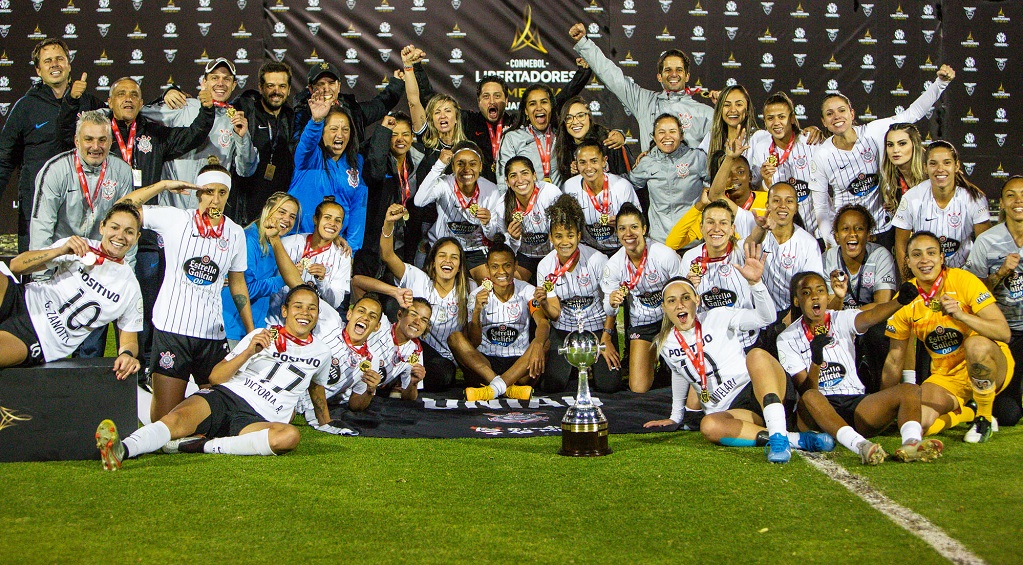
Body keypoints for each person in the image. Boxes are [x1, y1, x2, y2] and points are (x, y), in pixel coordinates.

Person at [58, 76, 215, 367]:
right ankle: (86, 367)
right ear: (110, 101)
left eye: (134, 95)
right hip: (101, 236)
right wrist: (69, 102)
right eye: (121, 94)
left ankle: (137, 365)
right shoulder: (100, 135)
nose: (128, 99)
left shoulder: (153, 133)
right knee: (93, 301)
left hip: (142, 237)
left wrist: (206, 111)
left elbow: (190, 136)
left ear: (142, 103)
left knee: (140, 303)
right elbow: (66, 135)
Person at [95, 284, 334, 469]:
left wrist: (327, 423)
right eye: (298, 306)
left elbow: (317, 391)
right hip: (228, 396)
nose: (305, 312)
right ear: (285, 310)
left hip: (262, 417)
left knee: (289, 436)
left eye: (312, 307)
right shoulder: (262, 334)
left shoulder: (322, 352)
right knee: (174, 419)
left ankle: (203, 445)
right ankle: (122, 449)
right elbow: (217, 377)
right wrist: (250, 350)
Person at [644, 275, 833, 463]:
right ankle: (795, 439)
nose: (679, 305)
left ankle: (779, 436)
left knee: (756, 355)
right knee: (709, 425)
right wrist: (675, 417)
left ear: (697, 299)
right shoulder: (665, 342)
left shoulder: (718, 316)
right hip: (731, 410)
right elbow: (679, 372)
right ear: (664, 308)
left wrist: (756, 283)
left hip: (758, 388)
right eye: (672, 300)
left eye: (685, 297)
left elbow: (766, 317)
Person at [118, 164, 253, 422]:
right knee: (163, 421)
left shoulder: (235, 233)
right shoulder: (175, 219)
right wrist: (163, 186)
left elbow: (237, 284)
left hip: (212, 336)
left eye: (222, 192)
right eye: (208, 191)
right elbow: (122, 209)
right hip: (172, 332)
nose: (215, 199)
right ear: (197, 193)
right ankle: (142, 398)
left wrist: (250, 330)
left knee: (219, 416)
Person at [780, 271, 943, 464]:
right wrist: (816, 360)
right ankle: (861, 445)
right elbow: (806, 389)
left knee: (910, 390)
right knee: (810, 397)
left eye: (821, 290)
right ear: (797, 301)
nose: (815, 296)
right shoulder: (787, 338)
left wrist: (899, 302)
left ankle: (912, 443)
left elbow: (871, 316)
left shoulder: (840, 318)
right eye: (806, 293)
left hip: (855, 401)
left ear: (827, 295)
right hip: (818, 410)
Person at [883, 231, 1014, 444]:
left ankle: (984, 417)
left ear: (942, 257)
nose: (924, 260)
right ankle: (968, 413)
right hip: (946, 375)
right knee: (917, 421)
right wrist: (884, 402)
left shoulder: (963, 281)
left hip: (991, 364)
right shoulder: (905, 299)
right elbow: (895, 357)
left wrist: (961, 315)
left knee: (975, 345)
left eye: (931, 253)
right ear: (907, 261)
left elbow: (1003, 333)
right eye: (916, 255)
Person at [810, 66, 955, 249]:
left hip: (882, 230)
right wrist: (831, 241)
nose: (836, 117)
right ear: (823, 122)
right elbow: (821, 205)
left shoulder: (874, 131)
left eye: (841, 110)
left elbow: (912, 114)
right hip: (847, 234)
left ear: (852, 114)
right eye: (829, 114)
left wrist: (941, 83)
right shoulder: (821, 155)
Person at [0, 203, 143, 375]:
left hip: (39, 337)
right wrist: (59, 251)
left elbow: (129, 339)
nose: (120, 236)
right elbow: (16, 266)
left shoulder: (130, 287)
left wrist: (127, 354)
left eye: (129, 232)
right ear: (102, 226)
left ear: (137, 237)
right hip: (21, 299)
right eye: (115, 227)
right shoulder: (79, 246)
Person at [0, 38, 103, 252]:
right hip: (37, 204)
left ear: (68, 64)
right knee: (36, 271)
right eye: (47, 61)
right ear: (38, 70)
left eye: (59, 59)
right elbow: (4, 158)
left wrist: (167, 94)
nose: (54, 64)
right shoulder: (25, 107)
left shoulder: (88, 103)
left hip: (80, 205)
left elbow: (124, 116)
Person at [365, 205, 472, 392]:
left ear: (460, 264)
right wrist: (388, 224)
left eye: (454, 257)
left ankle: (399, 383)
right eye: (442, 256)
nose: (448, 261)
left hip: (440, 359)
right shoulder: (418, 278)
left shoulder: (470, 288)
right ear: (432, 260)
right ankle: (389, 377)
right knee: (393, 304)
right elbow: (388, 255)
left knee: (444, 375)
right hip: (410, 344)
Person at [570, 24, 713, 148]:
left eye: (679, 70)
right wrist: (584, 43)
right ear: (659, 76)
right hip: (652, 179)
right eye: (668, 70)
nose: (673, 74)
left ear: (687, 76)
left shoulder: (705, 113)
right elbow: (612, 76)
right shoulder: (644, 101)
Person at [142, 58, 258, 208]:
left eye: (227, 79)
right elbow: (137, 114)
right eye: (214, 78)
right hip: (171, 208)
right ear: (204, 82)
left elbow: (246, 170)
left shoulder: (235, 119)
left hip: (207, 211)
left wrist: (243, 138)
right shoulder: (182, 105)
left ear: (234, 84)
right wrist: (164, 95)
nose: (221, 83)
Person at [534, 195, 618, 393]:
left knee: (610, 385)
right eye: (559, 236)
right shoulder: (545, 266)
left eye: (570, 235)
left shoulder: (598, 259)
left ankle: (588, 364)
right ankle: (571, 366)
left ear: (579, 236)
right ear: (551, 237)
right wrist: (545, 303)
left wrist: (607, 336)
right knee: (551, 385)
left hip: (597, 328)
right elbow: (555, 313)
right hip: (564, 329)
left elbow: (610, 303)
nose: (565, 242)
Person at [451, 237, 549, 401]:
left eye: (507, 265)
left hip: (519, 365)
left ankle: (494, 389)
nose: (501, 271)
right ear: (488, 269)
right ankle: (506, 388)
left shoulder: (527, 291)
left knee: (545, 342)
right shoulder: (476, 295)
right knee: (455, 338)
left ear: (515, 266)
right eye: (495, 267)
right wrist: (476, 311)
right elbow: (473, 342)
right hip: (485, 365)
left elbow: (543, 322)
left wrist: (538, 344)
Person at [30, 111, 135, 259]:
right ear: (77, 141)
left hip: (102, 264)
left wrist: (126, 274)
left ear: (111, 142)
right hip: (61, 261)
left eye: (102, 140)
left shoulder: (122, 171)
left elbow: (129, 225)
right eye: (89, 139)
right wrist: (42, 277)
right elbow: (41, 228)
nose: (96, 146)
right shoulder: (55, 170)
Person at [601, 203, 683, 393]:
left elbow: (683, 291)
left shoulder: (664, 255)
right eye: (622, 228)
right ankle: (654, 361)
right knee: (638, 388)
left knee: (682, 378)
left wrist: (678, 324)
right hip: (642, 322)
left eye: (634, 227)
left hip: (670, 322)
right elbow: (609, 309)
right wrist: (612, 303)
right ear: (617, 233)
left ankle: (665, 363)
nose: (628, 233)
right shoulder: (613, 265)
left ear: (644, 229)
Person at [963, 176, 1023, 427]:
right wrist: (999, 275)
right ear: (1002, 203)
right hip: (1004, 334)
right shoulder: (987, 241)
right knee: (1008, 415)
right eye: (1011, 195)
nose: (1018, 200)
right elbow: (972, 292)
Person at [823, 205, 899, 391]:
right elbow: (830, 310)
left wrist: (851, 317)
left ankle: (881, 393)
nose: (852, 235)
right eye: (845, 229)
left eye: (859, 229)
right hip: (839, 321)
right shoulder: (828, 258)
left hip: (872, 322)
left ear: (869, 234)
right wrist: (839, 298)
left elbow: (882, 304)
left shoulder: (880, 255)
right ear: (836, 235)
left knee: (877, 332)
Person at [892, 140, 989, 274]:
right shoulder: (912, 197)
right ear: (925, 167)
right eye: (933, 163)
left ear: (956, 166)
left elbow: (984, 245)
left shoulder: (974, 198)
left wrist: (974, 280)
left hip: (963, 275)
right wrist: (908, 281)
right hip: (924, 275)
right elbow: (901, 245)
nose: (940, 169)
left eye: (947, 162)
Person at [288, 97, 368, 251]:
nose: (340, 135)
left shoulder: (355, 162)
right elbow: (307, 143)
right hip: (297, 243)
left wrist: (351, 250)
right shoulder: (309, 158)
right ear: (322, 133)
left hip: (333, 247)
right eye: (333, 129)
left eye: (345, 130)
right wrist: (316, 121)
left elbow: (358, 207)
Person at [222, 192, 299, 345]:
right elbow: (246, 288)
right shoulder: (249, 239)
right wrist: (284, 277)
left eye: (292, 216)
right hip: (232, 327)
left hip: (252, 327)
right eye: (281, 212)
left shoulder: (274, 241)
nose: (287, 220)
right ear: (267, 209)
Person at [226, 62, 297, 227]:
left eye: (282, 86)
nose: (276, 91)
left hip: (277, 209)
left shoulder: (291, 118)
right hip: (245, 206)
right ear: (260, 87)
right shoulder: (246, 111)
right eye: (270, 86)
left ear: (288, 89)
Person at [414, 141, 500, 275]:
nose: (466, 169)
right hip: (443, 246)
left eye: (473, 164)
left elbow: (493, 236)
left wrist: (488, 222)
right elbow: (419, 201)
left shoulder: (492, 190)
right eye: (460, 164)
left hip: (475, 249)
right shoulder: (444, 184)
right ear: (453, 167)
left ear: (481, 166)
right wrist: (439, 165)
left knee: (486, 287)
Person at [680, 201, 758, 348]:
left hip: (744, 340)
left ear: (732, 229)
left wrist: (760, 228)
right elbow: (683, 307)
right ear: (701, 227)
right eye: (710, 222)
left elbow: (754, 239)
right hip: (709, 342)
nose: (716, 229)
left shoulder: (741, 251)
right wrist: (688, 291)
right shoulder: (690, 258)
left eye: (723, 223)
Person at [293, 59, 423, 145]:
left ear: (338, 86)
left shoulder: (352, 110)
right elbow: (298, 150)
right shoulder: (301, 114)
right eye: (320, 84)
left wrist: (397, 84)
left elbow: (380, 105)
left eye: (331, 83)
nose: (326, 89)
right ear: (310, 88)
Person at [664, 136, 762, 250]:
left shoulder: (767, 201)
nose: (734, 178)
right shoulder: (713, 211)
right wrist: (700, 205)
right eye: (727, 175)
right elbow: (672, 243)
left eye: (740, 172)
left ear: (750, 176)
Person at [747, 182, 825, 324]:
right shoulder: (758, 231)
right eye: (776, 200)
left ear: (796, 208)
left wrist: (793, 316)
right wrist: (760, 229)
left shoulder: (808, 243)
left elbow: (812, 285)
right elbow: (746, 248)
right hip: (760, 311)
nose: (782, 205)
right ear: (767, 205)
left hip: (794, 312)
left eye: (789, 201)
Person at [747, 92, 821, 239]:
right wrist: (766, 182)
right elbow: (757, 194)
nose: (776, 123)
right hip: (779, 233)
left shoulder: (810, 141)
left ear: (792, 118)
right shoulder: (761, 148)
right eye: (770, 118)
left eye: (781, 117)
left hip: (815, 231)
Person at [626, 113, 709, 242]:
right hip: (660, 241)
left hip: (692, 240)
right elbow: (627, 184)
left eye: (672, 131)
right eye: (661, 132)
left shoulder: (697, 158)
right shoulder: (647, 162)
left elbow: (717, 185)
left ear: (681, 136)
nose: (667, 137)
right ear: (654, 137)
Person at [272, 197, 352, 313]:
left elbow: (335, 303)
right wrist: (288, 274)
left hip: (313, 320)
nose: (332, 224)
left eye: (337, 220)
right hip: (276, 314)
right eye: (327, 218)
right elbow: (268, 283)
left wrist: (322, 281)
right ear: (315, 219)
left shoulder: (343, 256)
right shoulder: (288, 243)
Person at [562, 140, 641, 257]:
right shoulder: (568, 187)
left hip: (620, 249)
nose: (588, 168)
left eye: (594, 161)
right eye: (583, 162)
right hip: (587, 249)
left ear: (604, 161)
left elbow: (638, 223)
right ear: (576, 165)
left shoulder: (622, 186)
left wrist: (623, 222)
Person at [493, 156, 562, 282]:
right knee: (509, 282)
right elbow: (507, 246)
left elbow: (561, 232)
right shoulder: (502, 205)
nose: (520, 180)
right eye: (513, 176)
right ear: (507, 182)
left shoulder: (550, 193)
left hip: (553, 253)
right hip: (525, 256)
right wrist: (513, 238)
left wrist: (553, 260)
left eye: (524, 173)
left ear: (534, 175)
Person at [496, 84, 562, 191]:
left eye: (544, 102)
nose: (539, 108)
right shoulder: (512, 138)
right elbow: (503, 179)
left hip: (558, 204)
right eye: (532, 104)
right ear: (526, 111)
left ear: (551, 107)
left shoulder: (561, 136)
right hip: (525, 204)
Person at [553, 95, 631, 184]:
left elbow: (627, 181)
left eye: (580, 115)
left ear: (589, 117)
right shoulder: (563, 148)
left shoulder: (610, 141)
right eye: (569, 118)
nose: (575, 122)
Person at [365, 298, 431, 401]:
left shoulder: (415, 351)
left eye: (424, 320)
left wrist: (413, 383)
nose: (417, 322)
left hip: (362, 395)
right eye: (413, 314)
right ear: (400, 315)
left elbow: (408, 398)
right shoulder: (381, 325)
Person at [698, 84, 757, 163]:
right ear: (720, 110)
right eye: (727, 105)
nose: (732, 110)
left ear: (747, 110)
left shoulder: (757, 137)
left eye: (739, 104)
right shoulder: (712, 137)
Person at [879, 123, 927, 216]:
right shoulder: (891, 180)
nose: (895, 150)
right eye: (890, 145)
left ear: (915, 145)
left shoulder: (931, 173)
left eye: (902, 144)